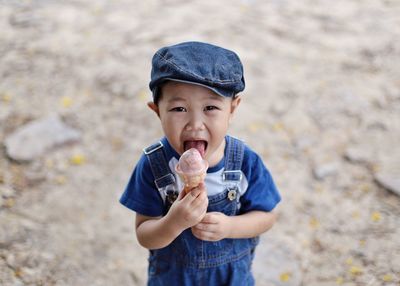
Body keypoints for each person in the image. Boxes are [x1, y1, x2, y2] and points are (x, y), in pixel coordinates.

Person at [120, 41, 281, 285]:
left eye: (210, 107)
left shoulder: (245, 161)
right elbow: (144, 234)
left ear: (233, 108)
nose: (195, 123)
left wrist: (229, 227)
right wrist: (172, 223)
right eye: (179, 108)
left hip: (230, 278)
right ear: (156, 111)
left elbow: (266, 217)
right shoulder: (154, 165)